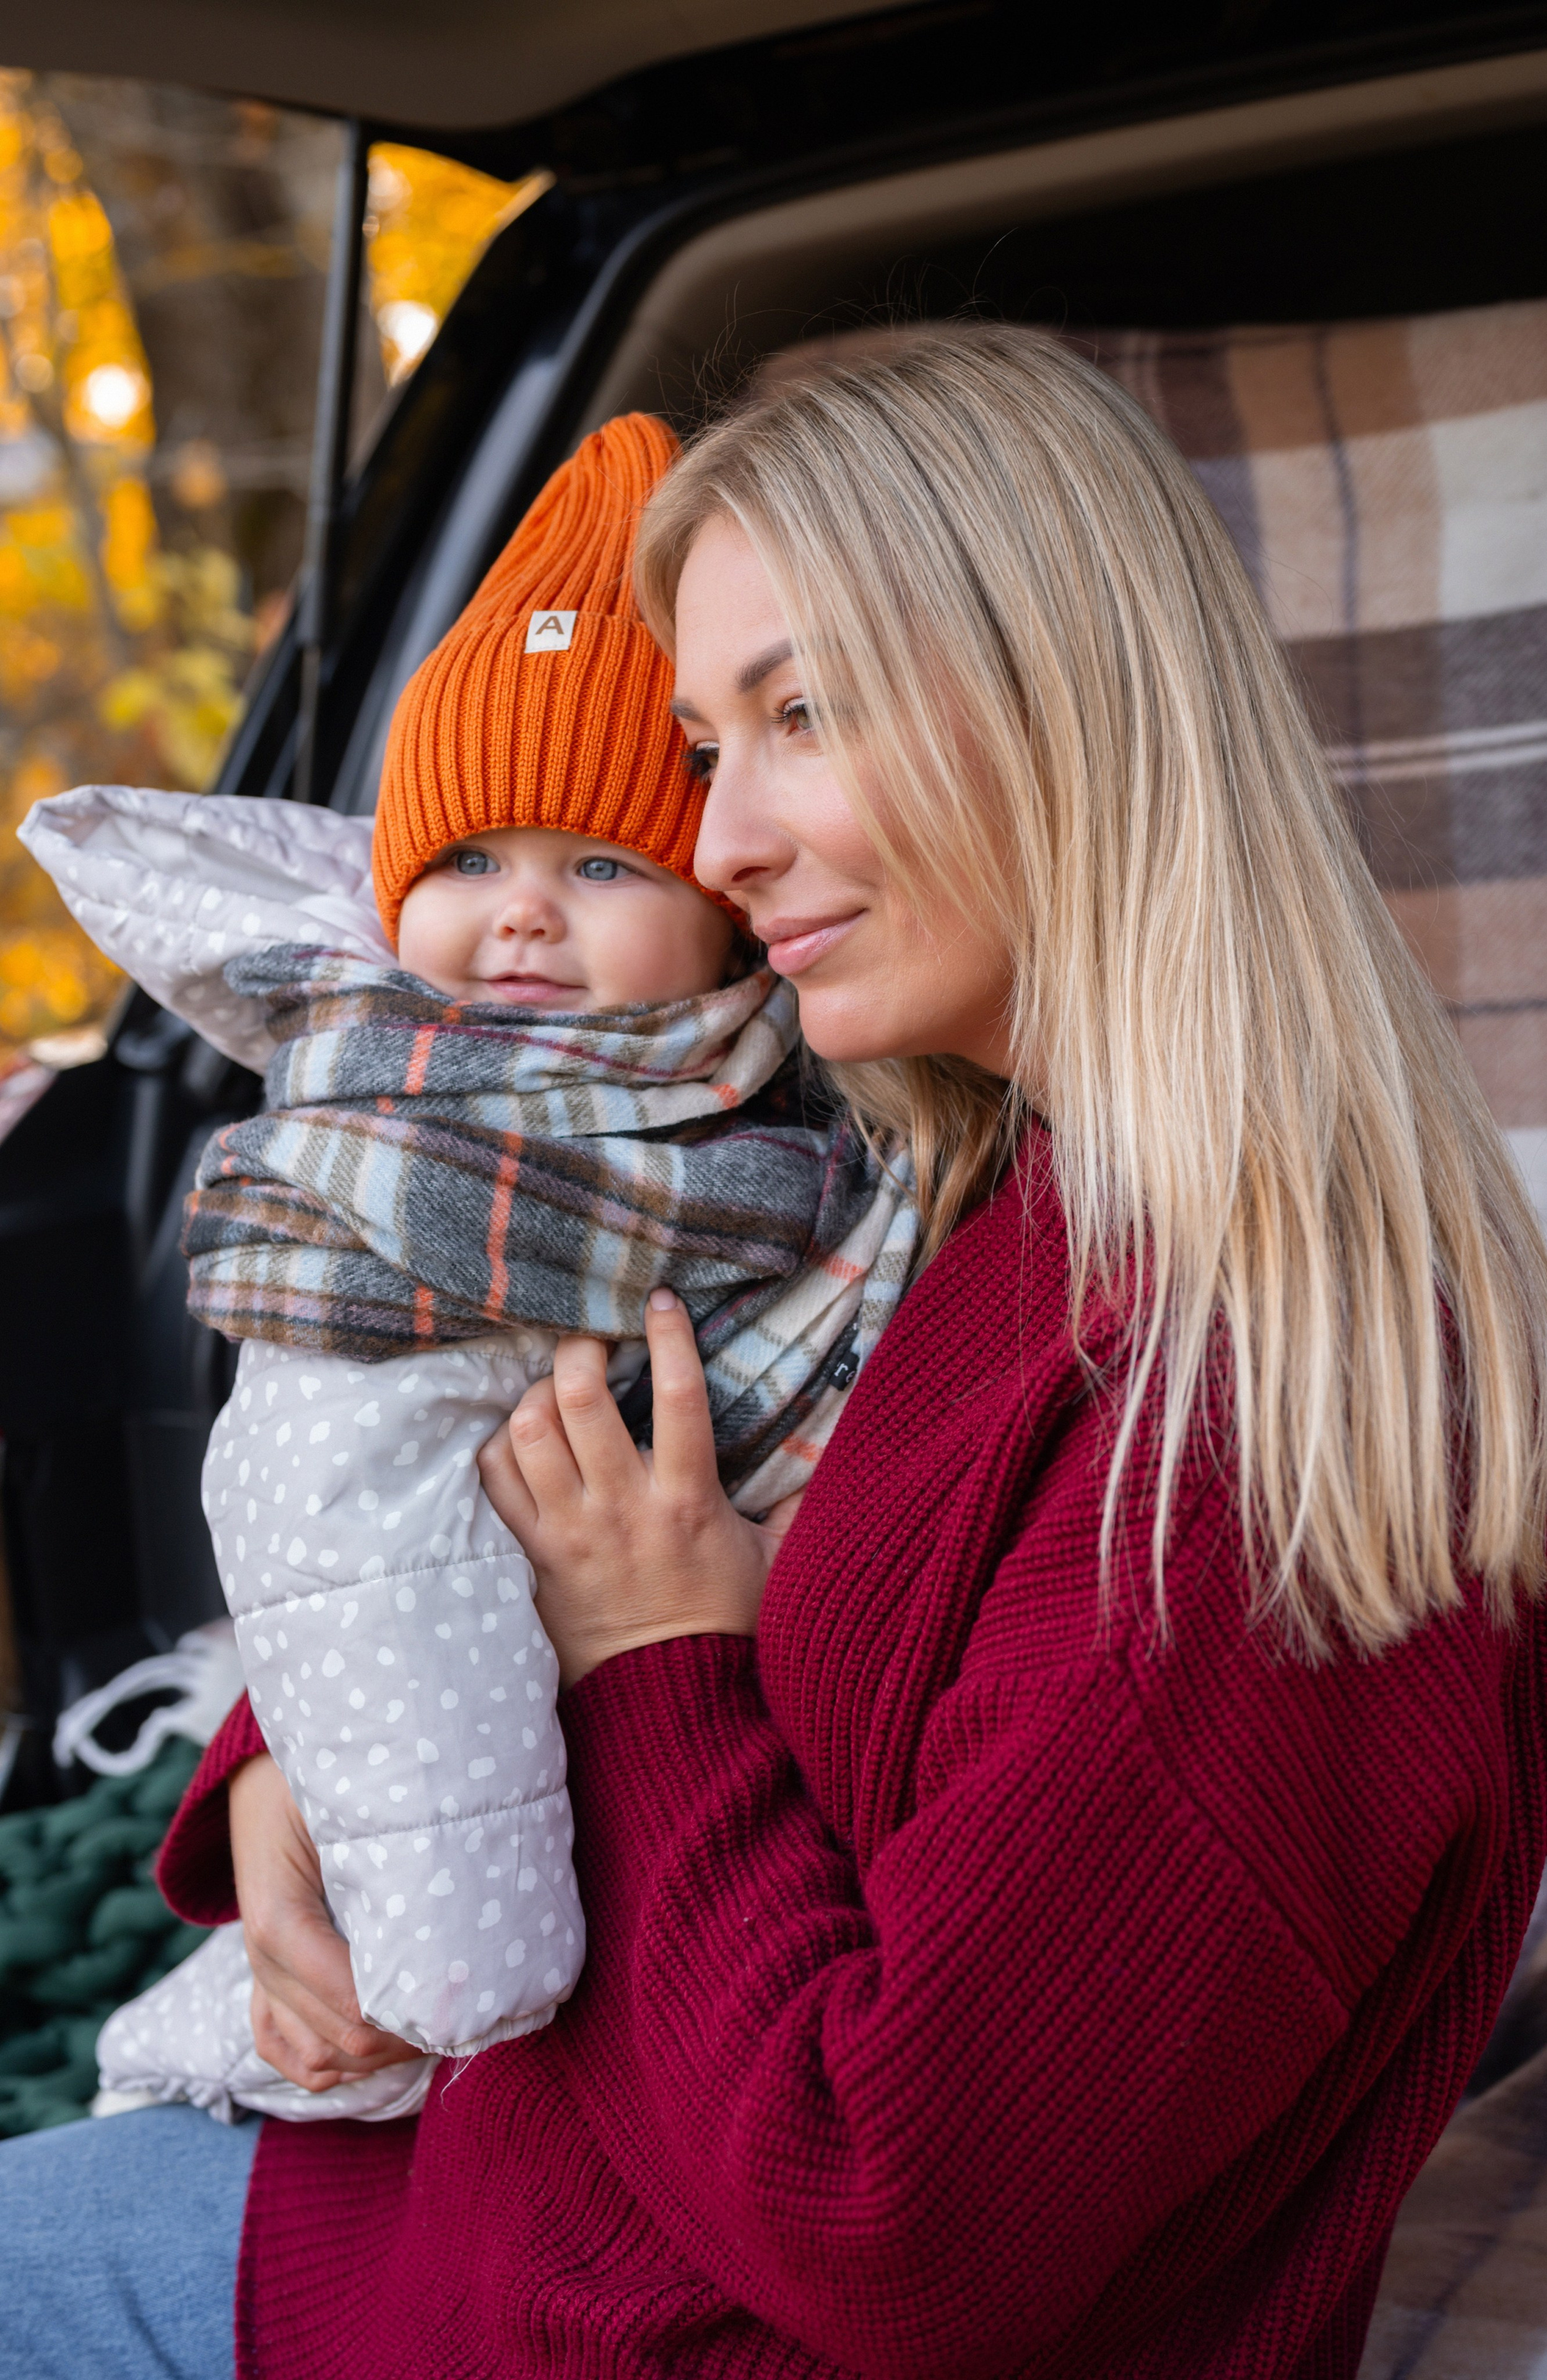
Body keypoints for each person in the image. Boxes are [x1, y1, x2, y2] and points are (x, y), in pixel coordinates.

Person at [2, 320, 1547, 2380]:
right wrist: (277, 1773)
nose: (721, 844)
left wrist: (653, 1664)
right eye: (699, 750)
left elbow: (898, 2219)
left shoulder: (1261, 1439)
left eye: (797, 718)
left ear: (1069, 705)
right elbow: (538, 1468)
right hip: (467, 2210)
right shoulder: (932, 1184)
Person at [19, 412, 914, 2126]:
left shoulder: (813, 1135)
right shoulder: (379, 1108)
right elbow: (341, 1498)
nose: (522, 915)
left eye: (597, 863)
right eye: (469, 860)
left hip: (646, 1896)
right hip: (426, 1768)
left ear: (722, 910)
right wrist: (279, 1773)